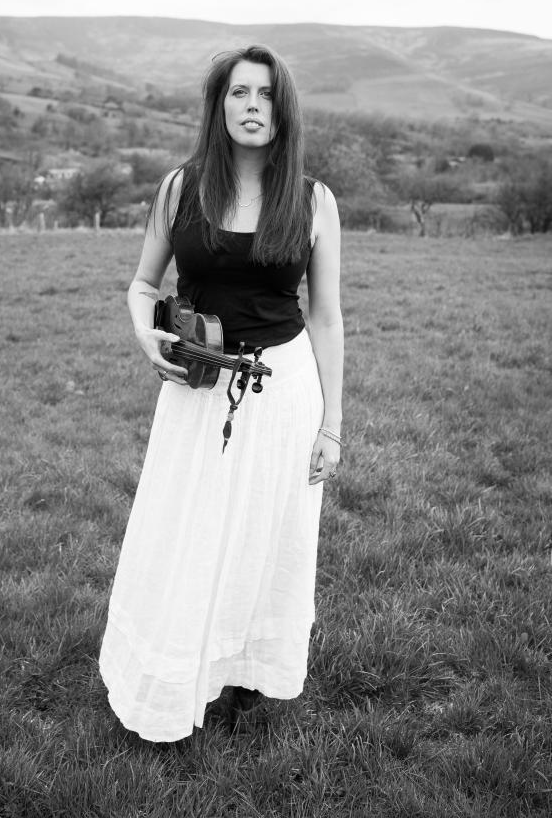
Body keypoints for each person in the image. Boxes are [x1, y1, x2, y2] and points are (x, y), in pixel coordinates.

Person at [99, 44, 344, 742]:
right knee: (188, 530)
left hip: (283, 387)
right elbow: (143, 284)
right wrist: (146, 333)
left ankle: (245, 672)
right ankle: (175, 671)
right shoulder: (181, 188)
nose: (251, 107)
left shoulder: (314, 200)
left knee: (267, 536)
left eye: (265, 95)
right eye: (238, 93)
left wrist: (332, 423)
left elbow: (326, 316)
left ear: (283, 109)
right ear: (219, 104)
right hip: (197, 387)